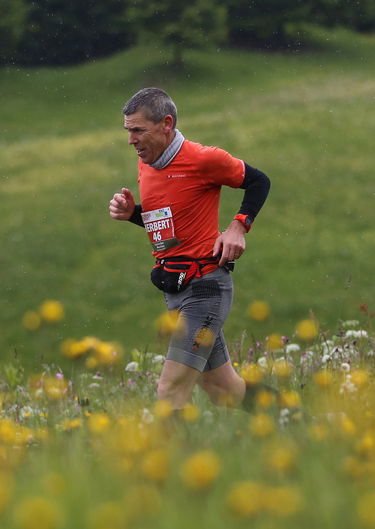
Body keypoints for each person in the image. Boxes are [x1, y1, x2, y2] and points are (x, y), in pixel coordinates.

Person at [109, 87, 270, 410]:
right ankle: (299, 422)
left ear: (166, 124)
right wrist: (133, 215)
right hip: (175, 290)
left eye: (138, 131)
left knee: (170, 391)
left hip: (205, 289)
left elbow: (259, 181)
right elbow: (171, 225)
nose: (131, 141)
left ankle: (173, 461)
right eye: (128, 131)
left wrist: (239, 226)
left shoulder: (202, 159)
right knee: (223, 389)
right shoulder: (148, 163)